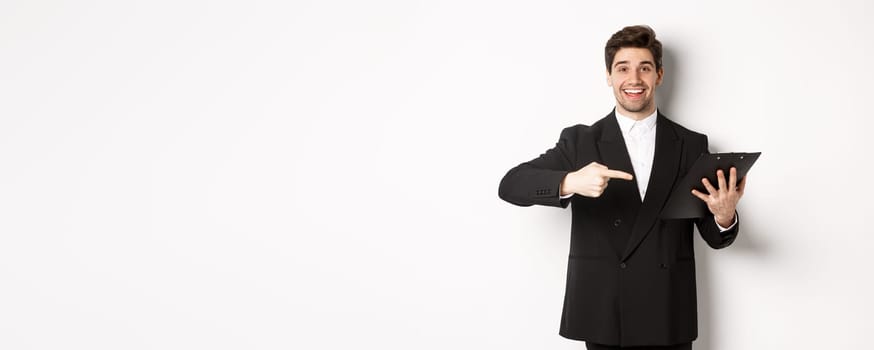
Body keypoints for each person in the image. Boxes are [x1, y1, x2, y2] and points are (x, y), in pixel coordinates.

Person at [497, 25, 746, 350]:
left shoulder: (690, 144)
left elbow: (715, 237)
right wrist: (570, 181)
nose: (634, 79)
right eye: (623, 68)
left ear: (659, 75)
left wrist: (724, 216)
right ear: (609, 76)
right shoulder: (579, 141)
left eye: (644, 68)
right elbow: (511, 184)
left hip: (668, 312)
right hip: (605, 313)